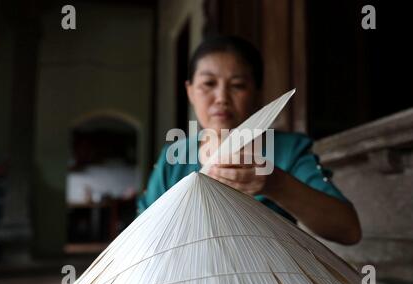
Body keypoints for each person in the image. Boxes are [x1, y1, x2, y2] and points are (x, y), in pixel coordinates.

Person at [137, 35, 362, 245]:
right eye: (208, 84)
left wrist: (276, 184)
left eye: (238, 86)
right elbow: (141, 234)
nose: (222, 98)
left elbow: (348, 230)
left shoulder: (288, 150)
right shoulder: (174, 157)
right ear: (190, 91)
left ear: (257, 94)